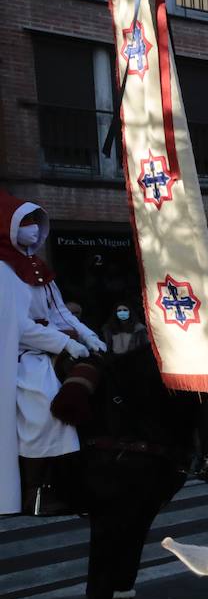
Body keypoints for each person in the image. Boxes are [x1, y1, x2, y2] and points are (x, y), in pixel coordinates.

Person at [0, 191, 106, 516]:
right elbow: (19, 326)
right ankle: (35, 493)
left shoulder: (37, 268)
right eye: (26, 222)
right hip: (23, 356)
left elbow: (61, 312)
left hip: (49, 349)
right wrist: (65, 344)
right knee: (43, 409)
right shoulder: (4, 270)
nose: (33, 228)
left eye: (36, 222)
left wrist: (88, 336)